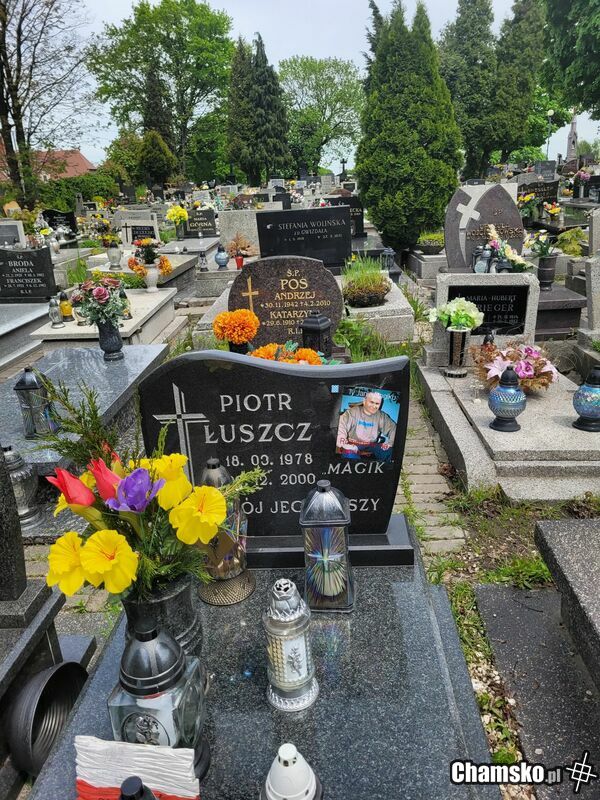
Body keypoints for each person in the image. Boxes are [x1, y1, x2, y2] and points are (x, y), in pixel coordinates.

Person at [336, 391, 396, 462]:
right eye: (371, 402)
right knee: (349, 453)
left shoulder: (381, 416)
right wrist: (343, 442)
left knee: (389, 451)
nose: (374, 406)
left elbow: (393, 429)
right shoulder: (352, 412)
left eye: (377, 404)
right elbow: (341, 425)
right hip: (352, 443)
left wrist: (390, 443)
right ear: (364, 401)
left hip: (371, 445)